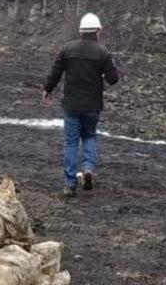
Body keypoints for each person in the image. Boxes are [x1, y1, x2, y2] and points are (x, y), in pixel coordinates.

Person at [42, 12, 120, 197]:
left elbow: (56, 72)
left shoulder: (68, 49)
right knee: (89, 137)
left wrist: (47, 89)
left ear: (80, 31)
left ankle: (69, 184)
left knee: (70, 143)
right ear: (98, 31)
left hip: (71, 105)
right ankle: (88, 168)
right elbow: (113, 79)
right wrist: (102, 73)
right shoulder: (103, 53)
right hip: (92, 105)